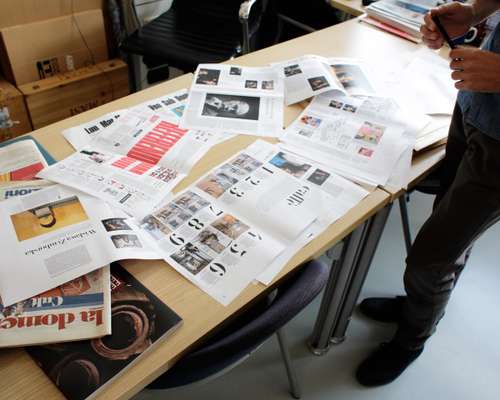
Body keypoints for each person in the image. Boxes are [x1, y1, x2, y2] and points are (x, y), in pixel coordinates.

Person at [356, 0, 500, 386]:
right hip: (475, 103)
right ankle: (419, 307)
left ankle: (411, 339)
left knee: (430, 259)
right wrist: (474, 12)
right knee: (448, 228)